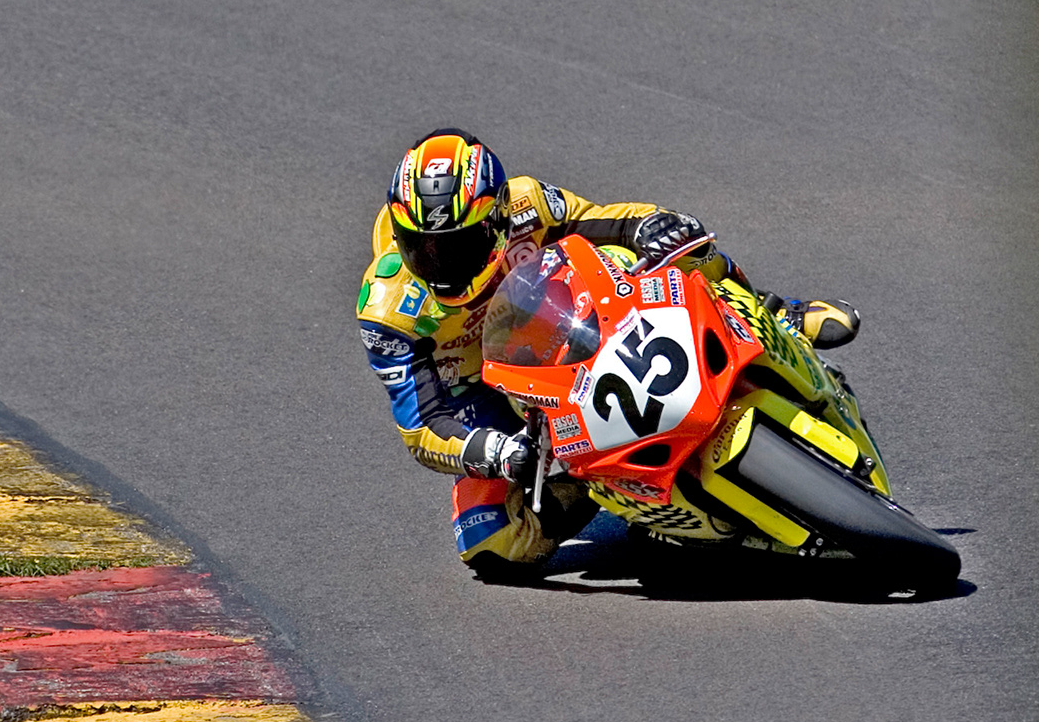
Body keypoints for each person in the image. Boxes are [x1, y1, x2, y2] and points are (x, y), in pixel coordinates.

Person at [356, 127, 858, 577]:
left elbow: (601, 222)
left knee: (677, 243)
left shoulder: (528, 205)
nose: (440, 265)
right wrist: (488, 451)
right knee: (489, 543)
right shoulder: (386, 308)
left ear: (497, 220)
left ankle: (772, 314)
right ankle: (613, 493)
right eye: (422, 247)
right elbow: (422, 423)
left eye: (459, 245)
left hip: (566, 321)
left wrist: (649, 227)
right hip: (487, 390)